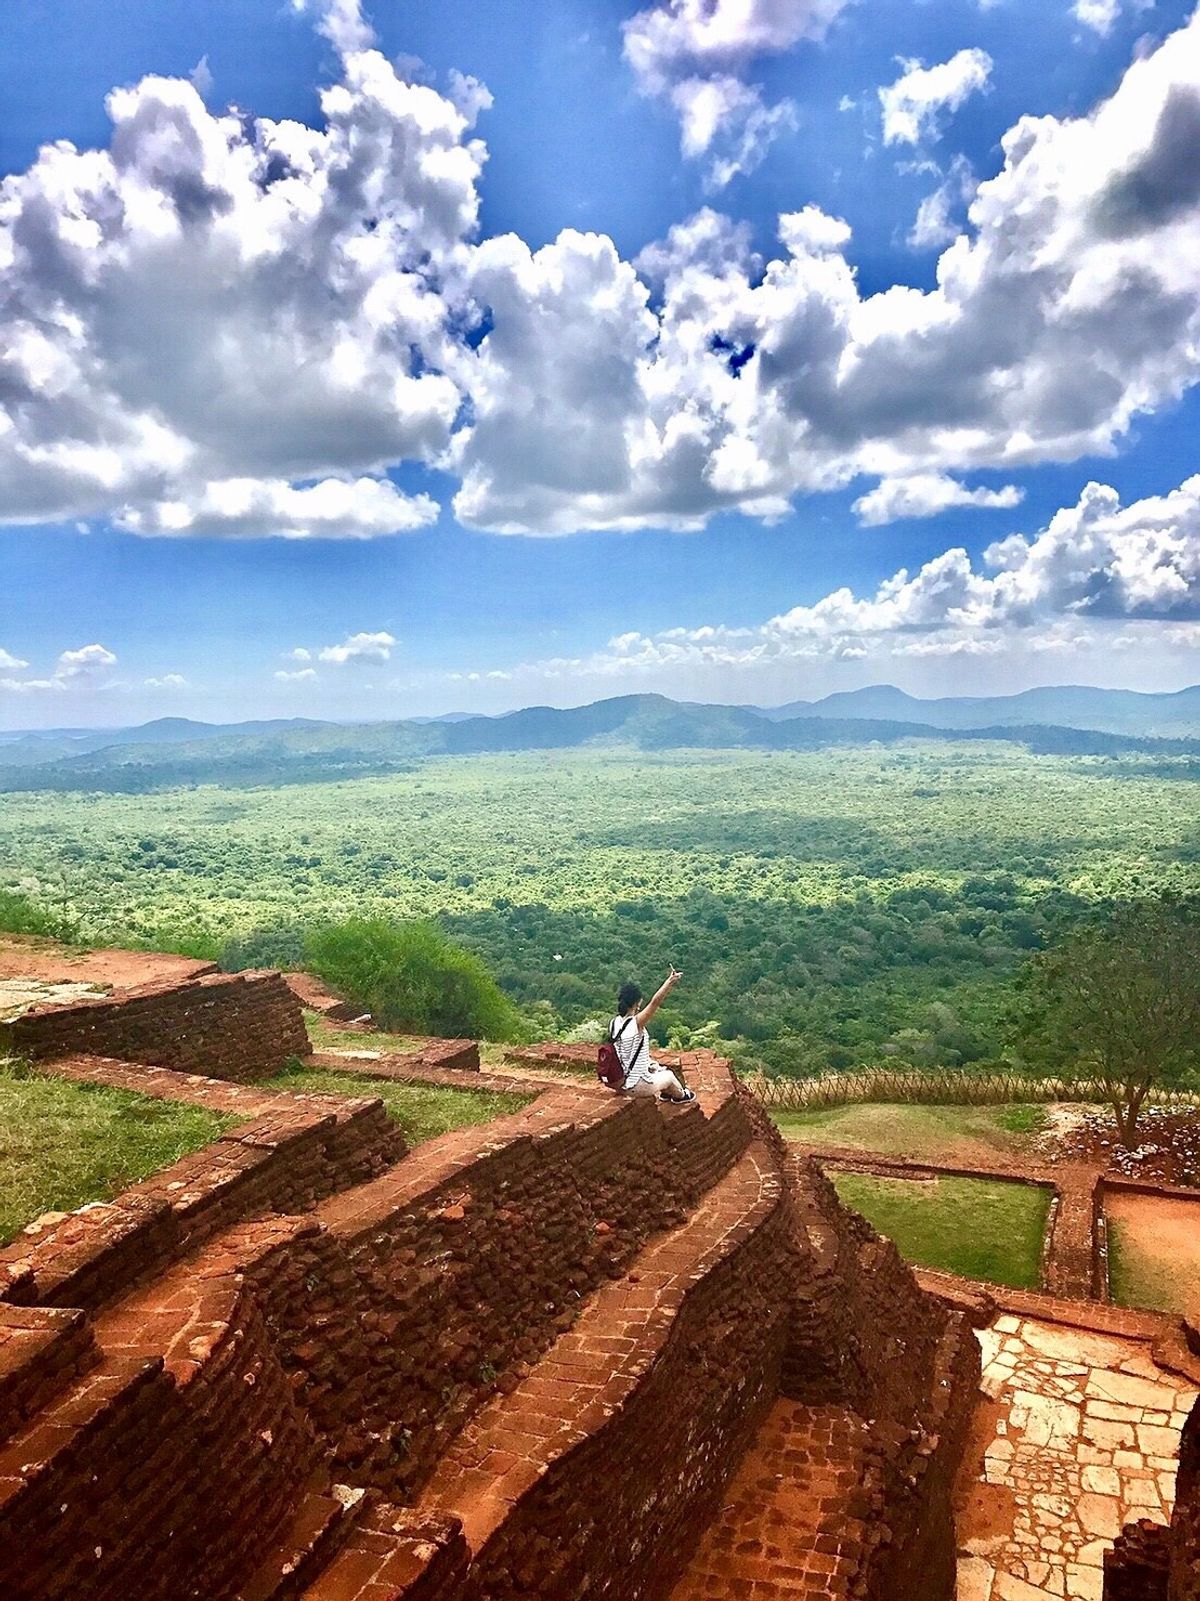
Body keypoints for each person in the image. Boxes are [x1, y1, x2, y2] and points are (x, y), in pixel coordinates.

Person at [609, 969, 696, 1103]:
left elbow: (626, 1052)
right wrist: (669, 982)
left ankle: (666, 1093)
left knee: (657, 1068)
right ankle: (682, 1096)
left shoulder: (614, 1023)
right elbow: (655, 1003)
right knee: (669, 1075)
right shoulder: (635, 1023)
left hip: (619, 1082)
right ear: (637, 1002)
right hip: (635, 1086)